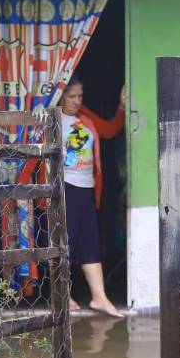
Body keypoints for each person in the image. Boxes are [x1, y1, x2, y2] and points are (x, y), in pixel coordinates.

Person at [56, 77, 125, 317]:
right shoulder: (49, 121)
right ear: (60, 96)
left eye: (79, 96)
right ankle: (62, 296)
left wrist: (122, 107)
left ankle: (100, 298)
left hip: (86, 188)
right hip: (64, 187)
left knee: (90, 242)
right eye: (71, 96)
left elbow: (109, 129)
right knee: (65, 241)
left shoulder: (84, 118)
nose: (76, 101)